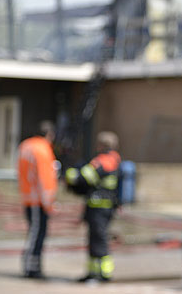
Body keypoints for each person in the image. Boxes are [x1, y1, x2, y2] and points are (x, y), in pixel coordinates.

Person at [65, 131, 121, 282]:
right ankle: (93, 272)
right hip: (103, 207)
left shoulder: (104, 160)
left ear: (102, 145)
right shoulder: (115, 159)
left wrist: (70, 173)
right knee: (95, 239)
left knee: (99, 238)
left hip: (99, 207)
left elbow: (85, 177)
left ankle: (103, 273)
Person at [18, 120, 58, 279]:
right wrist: (48, 203)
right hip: (38, 201)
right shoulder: (43, 149)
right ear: (50, 134)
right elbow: (45, 179)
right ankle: (32, 268)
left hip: (27, 197)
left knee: (33, 232)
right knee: (36, 234)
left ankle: (31, 266)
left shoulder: (25, 145)